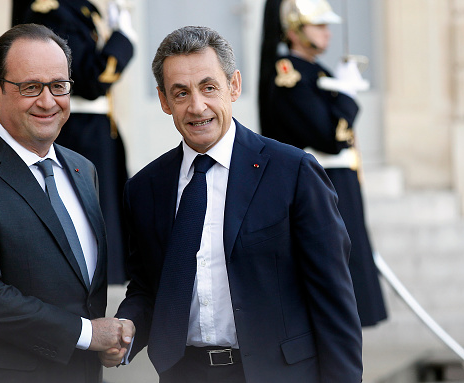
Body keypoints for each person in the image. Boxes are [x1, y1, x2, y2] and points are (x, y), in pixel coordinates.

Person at [112, 26, 362, 383]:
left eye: (209, 87)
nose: (197, 106)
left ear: (234, 86)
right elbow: (148, 288)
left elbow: (334, 301)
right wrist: (125, 329)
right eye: (180, 93)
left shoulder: (294, 173)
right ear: (164, 101)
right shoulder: (144, 188)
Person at [0, 23, 133, 382]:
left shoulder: (84, 170)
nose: (48, 101)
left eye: (58, 86)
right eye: (30, 87)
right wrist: (87, 334)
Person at [258, 0, 387, 327]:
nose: (326, 33)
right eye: (318, 26)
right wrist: (346, 95)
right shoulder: (288, 73)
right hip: (319, 186)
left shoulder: (317, 71)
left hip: (338, 184)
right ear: (294, 31)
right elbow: (329, 135)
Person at [12, 0, 135, 284]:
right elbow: (91, 79)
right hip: (78, 130)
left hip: (95, 128)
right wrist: (122, 41)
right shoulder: (52, 11)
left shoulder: (80, 9)